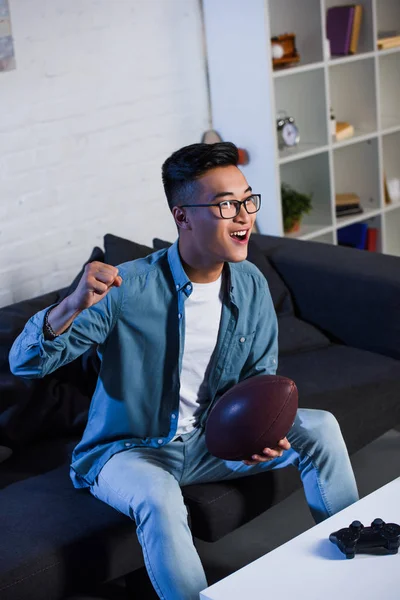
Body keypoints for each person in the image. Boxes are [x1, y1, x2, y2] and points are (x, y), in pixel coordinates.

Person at [9, 142, 359, 600]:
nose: (244, 216)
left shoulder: (251, 282)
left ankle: (359, 554)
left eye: (247, 200)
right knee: (157, 494)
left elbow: (260, 381)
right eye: (226, 205)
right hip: (130, 452)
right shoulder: (125, 286)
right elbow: (26, 363)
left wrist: (259, 433)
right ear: (182, 217)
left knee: (321, 427)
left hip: (212, 442)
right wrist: (71, 305)